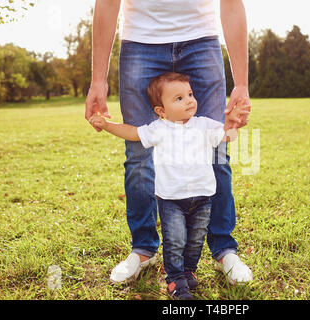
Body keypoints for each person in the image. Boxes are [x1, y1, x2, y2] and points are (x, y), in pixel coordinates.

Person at [85, 0, 253, 285]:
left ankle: (224, 249)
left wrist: (242, 83)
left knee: (216, 152)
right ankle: (143, 248)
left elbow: (232, 4)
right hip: (140, 43)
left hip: (202, 41)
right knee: (138, 155)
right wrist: (98, 79)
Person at [89, 72, 249, 299]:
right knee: (175, 242)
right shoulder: (159, 129)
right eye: (179, 98)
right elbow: (133, 133)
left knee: (195, 241)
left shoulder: (204, 125)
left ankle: (187, 271)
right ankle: (175, 280)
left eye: (190, 94)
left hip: (203, 198)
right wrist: (106, 125)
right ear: (161, 111)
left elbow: (227, 135)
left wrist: (234, 121)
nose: (189, 100)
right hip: (171, 200)